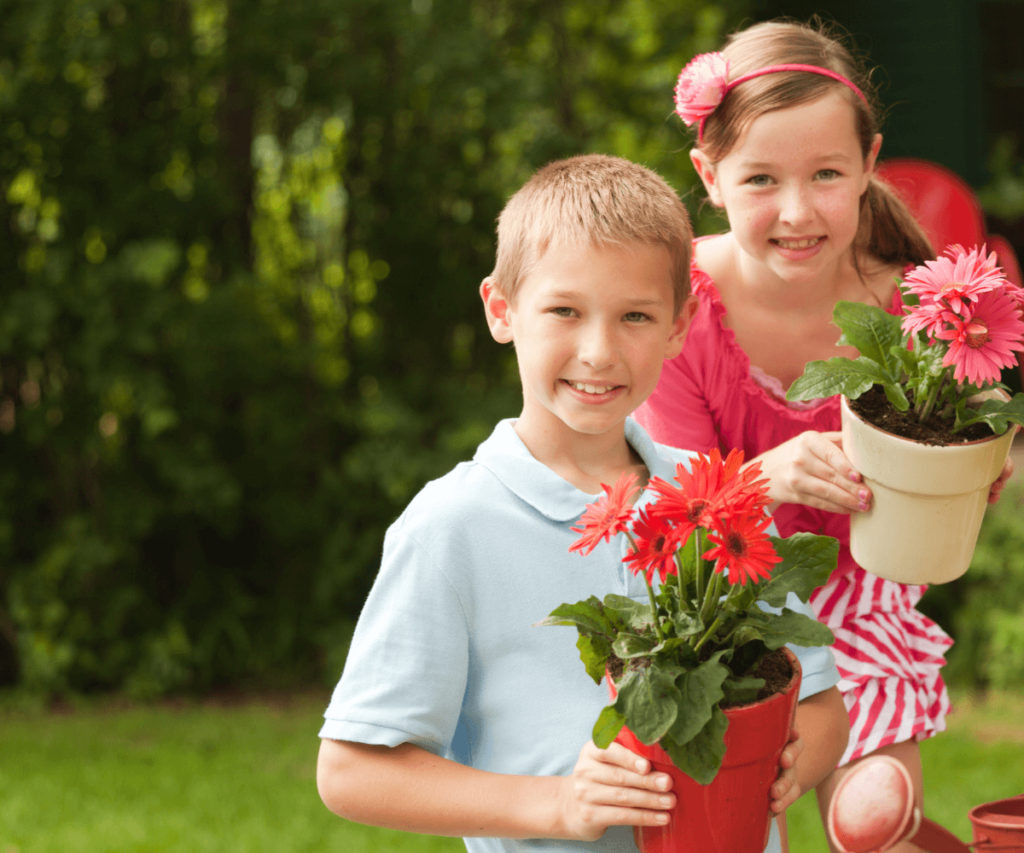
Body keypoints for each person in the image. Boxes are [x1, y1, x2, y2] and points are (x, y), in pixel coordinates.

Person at [316, 153, 849, 853]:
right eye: (564, 310)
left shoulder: (711, 495)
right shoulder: (451, 528)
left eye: (634, 315)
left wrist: (787, 767)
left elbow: (819, 701)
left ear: (680, 326)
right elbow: (352, 770)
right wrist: (558, 802)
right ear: (501, 310)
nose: (598, 351)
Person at [634, 20, 1015, 853]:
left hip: (862, 591)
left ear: (871, 164)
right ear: (710, 174)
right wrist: (764, 475)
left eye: (828, 175)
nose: (797, 211)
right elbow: (672, 515)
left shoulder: (908, 306)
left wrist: (964, 469)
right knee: (719, 821)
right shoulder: (677, 307)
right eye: (762, 178)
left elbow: (965, 470)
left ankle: (882, 806)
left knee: (867, 822)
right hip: (727, 605)